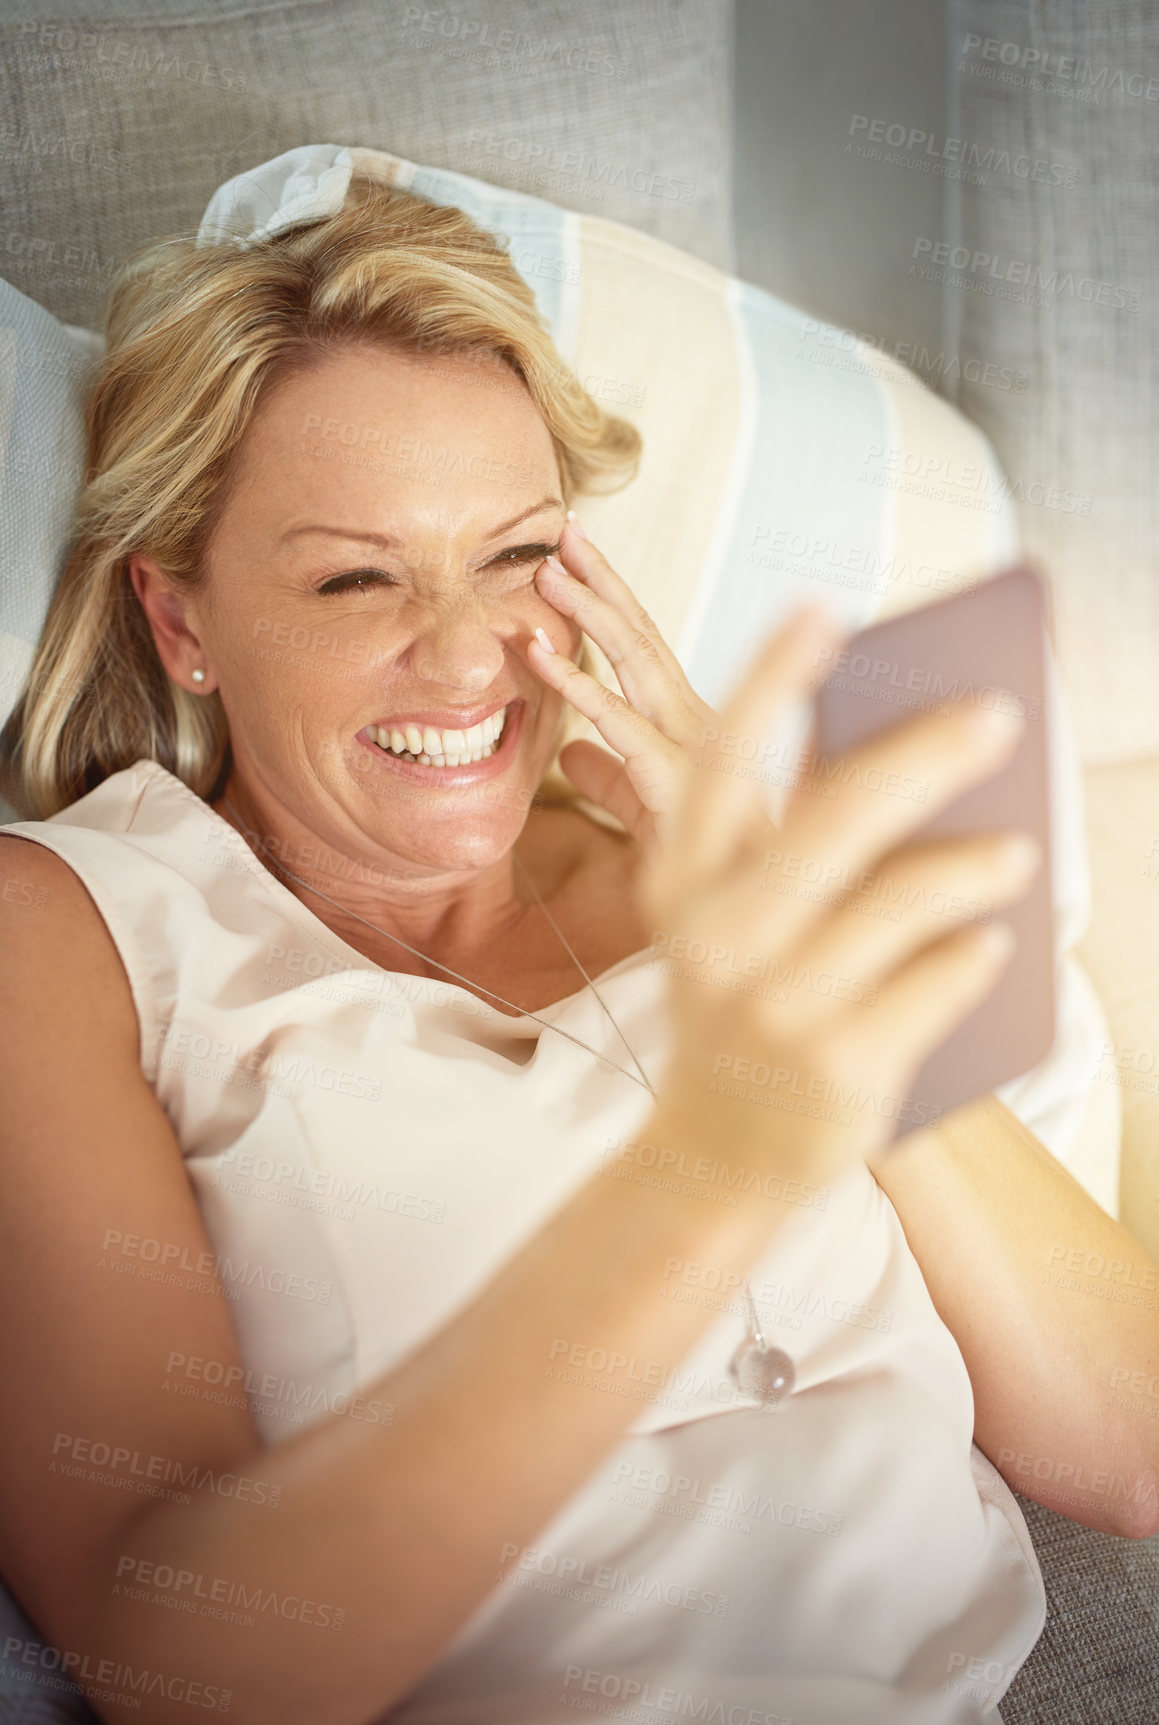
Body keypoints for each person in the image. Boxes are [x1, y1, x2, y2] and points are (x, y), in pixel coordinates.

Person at [0, 171, 1154, 1725]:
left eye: (512, 553)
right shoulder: (74, 931)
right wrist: (719, 1162)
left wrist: (777, 893)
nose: (469, 653)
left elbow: (1128, 1435)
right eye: (357, 575)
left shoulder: (710, 874)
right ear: (181, 617)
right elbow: (186, 1667)